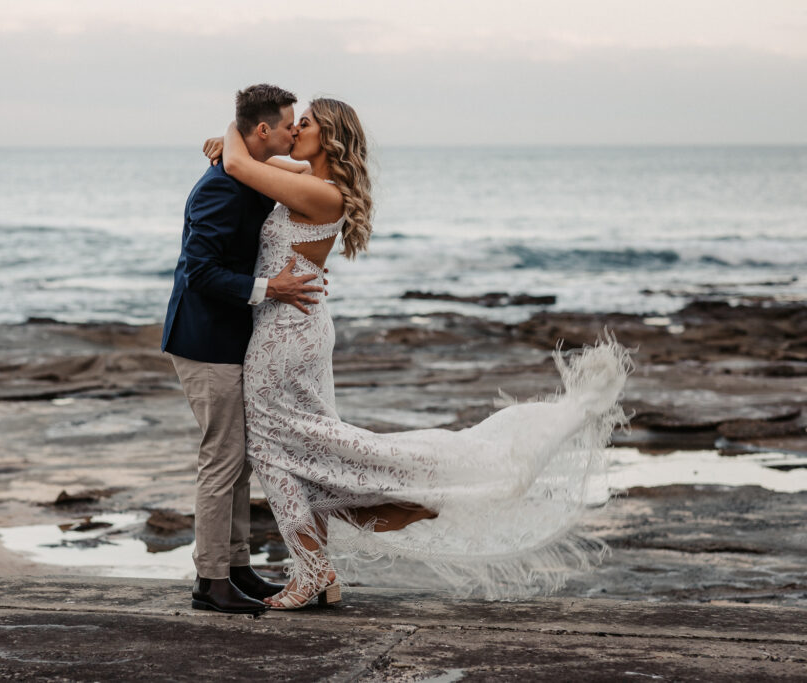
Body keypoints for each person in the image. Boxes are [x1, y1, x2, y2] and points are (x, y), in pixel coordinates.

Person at [205, 97, 631, 609]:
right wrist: (236, 144)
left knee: (271, 448)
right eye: (293, 124)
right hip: (295, 327)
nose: (294, 130)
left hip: (286, 335)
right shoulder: (311, 181)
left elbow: (238, 165)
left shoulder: (321, 192)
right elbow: (251, 163)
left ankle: (323, 561)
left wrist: (234, 129)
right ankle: (325, 565)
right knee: (308, 451)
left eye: (306, 124)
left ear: (330, 137)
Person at [161, 84, 326, 615]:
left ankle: (235, 566)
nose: (294, 131)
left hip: (231, 338)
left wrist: (226, 137)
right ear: (262, 130)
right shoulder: (222, 188)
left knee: (238, 463)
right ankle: (210, 581)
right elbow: (199, 271)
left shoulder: (248, 172)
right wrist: (269, 289)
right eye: (288, 125)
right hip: (204, 340)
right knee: (222, 460)